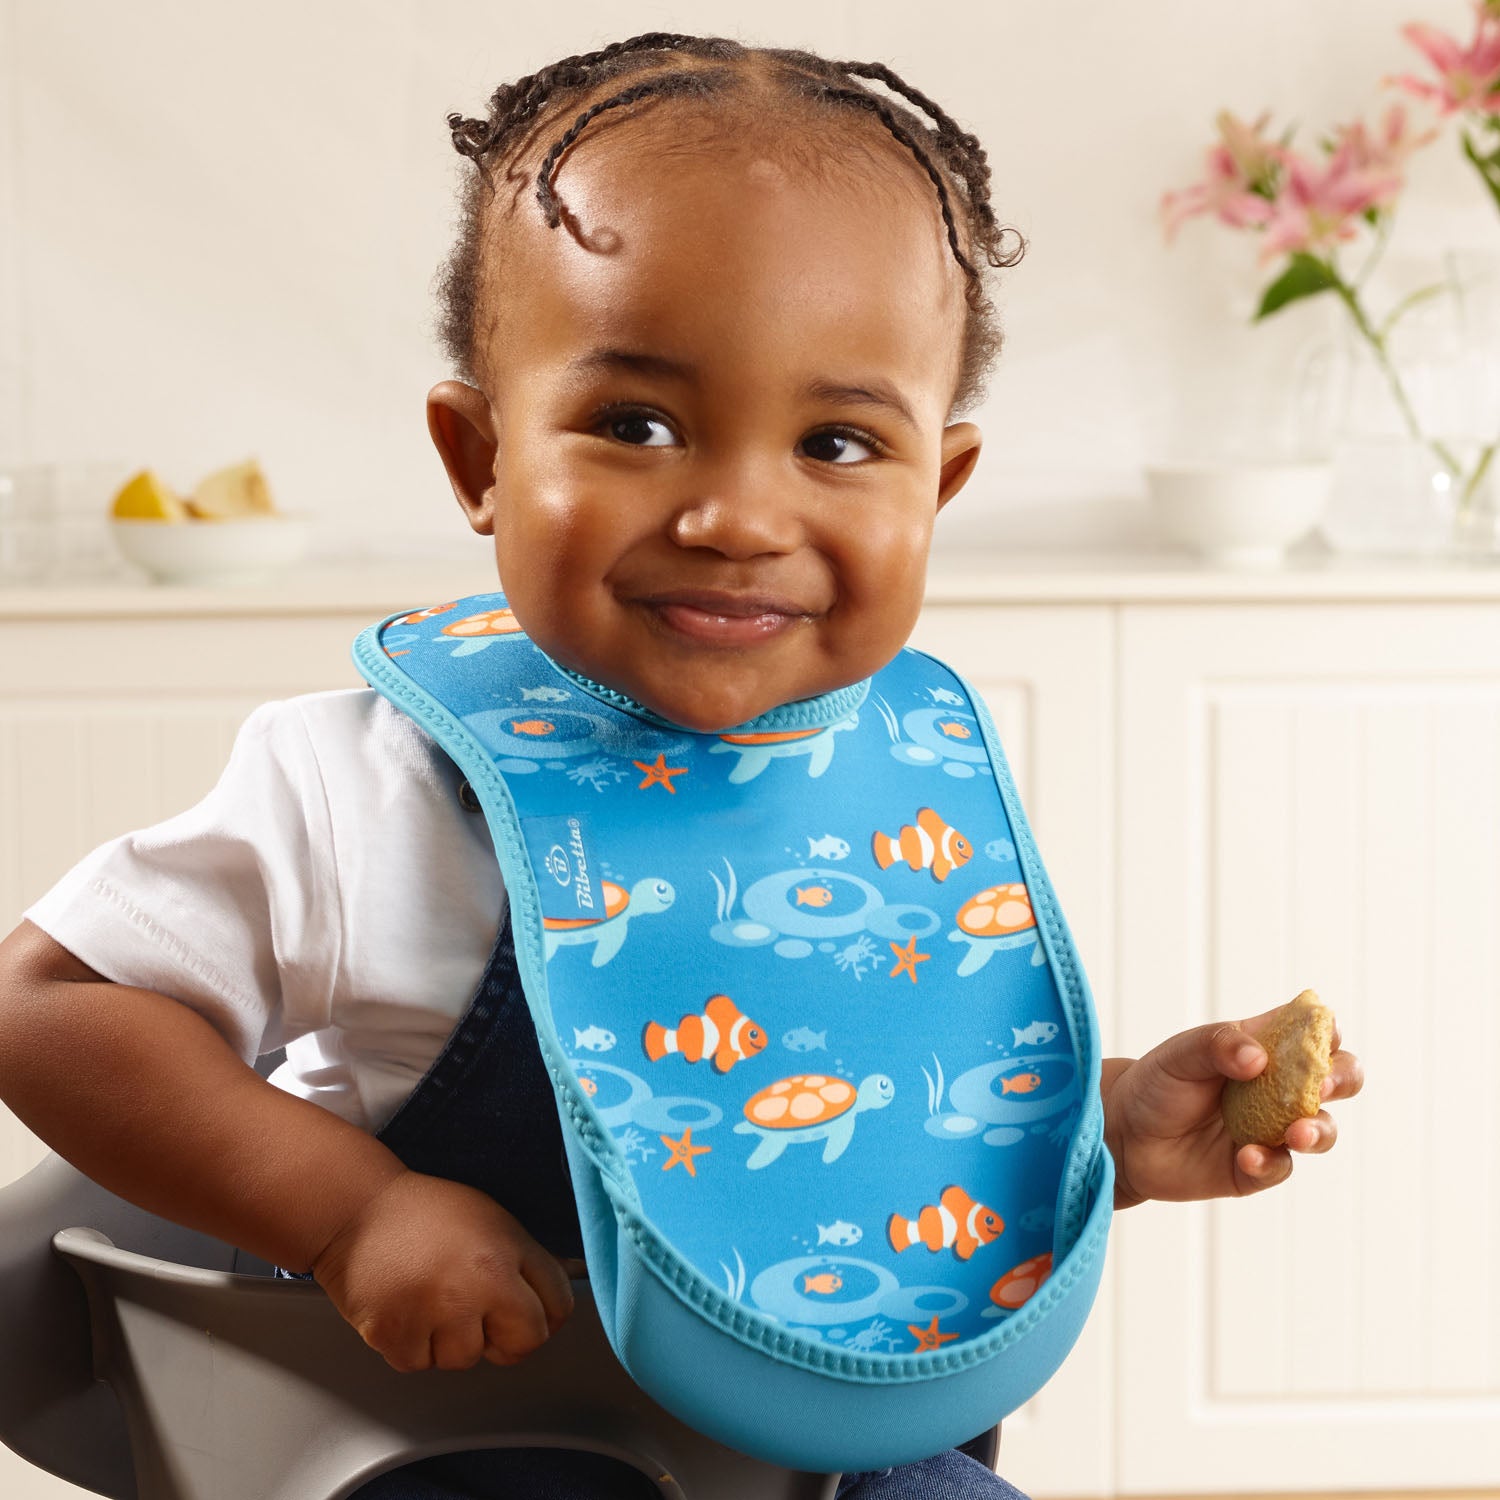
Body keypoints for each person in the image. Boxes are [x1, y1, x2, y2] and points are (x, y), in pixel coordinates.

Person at [0, 33, 1363, 1500]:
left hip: (824, 1453)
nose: (735, 513)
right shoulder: (367, 788)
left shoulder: (901, 785)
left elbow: (864, 1094)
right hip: (445, 1439)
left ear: (939, 487)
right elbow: (51, 1006)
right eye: (636, 424)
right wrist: (354, 1212)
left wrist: (1101, 1131)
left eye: (839, 441)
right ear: (479, 458)